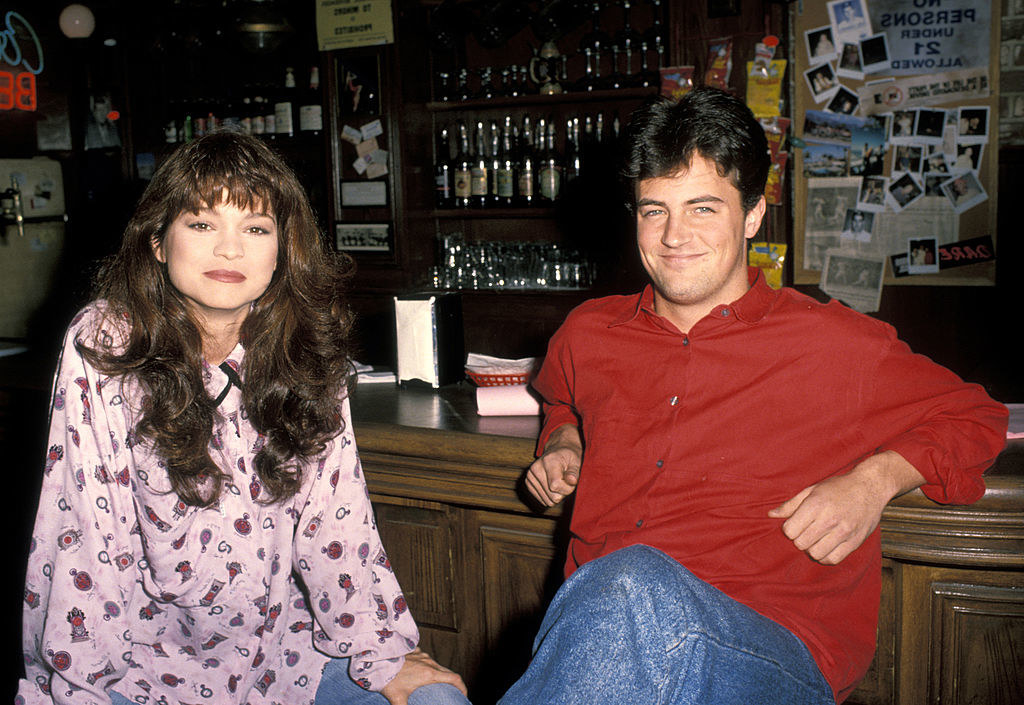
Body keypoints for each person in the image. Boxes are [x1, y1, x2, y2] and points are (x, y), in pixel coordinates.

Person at [500, 88, 1007, 705]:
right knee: (626, 591)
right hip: (603, 639)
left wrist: (875, 480)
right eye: (653, 210)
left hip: (770, 650)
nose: (673, 236)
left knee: (633, 585)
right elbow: (563, 399)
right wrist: (564, 440)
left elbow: (977, 415)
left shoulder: (833, 342)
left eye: (703, 208)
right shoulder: (587, 332)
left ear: (752, 216)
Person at [18, 132, 469, 705]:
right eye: (202, 225)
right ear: (158, 241)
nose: (230, 250)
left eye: (255, 229)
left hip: (282, 656)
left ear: (283, 250)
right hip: (141, 667)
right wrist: (84, 688)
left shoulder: (307, 351)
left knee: (439, 701)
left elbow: (338, 521)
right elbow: (83, 533)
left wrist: (381, 649)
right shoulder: (108, 343)